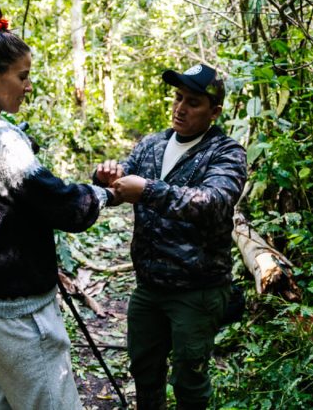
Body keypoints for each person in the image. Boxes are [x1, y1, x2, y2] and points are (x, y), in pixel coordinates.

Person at [0, 2, 116, 410]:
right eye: (23, 76)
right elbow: (62, 206)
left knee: (8, 400)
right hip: (18, 310)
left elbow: (20, 201)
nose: (28, 86)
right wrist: (109, 194)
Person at [94, 63, 248, 410]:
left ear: (214, 111)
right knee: (145, 371)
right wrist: (105, 177)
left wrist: (147, 190)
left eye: (193, 102)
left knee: (189, 380)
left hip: (197, 290)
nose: (180, 108)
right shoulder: (152, 145)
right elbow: (120, 188)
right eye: (178, 98)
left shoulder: (226, 152)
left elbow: (213, 202)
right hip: (149, 287)